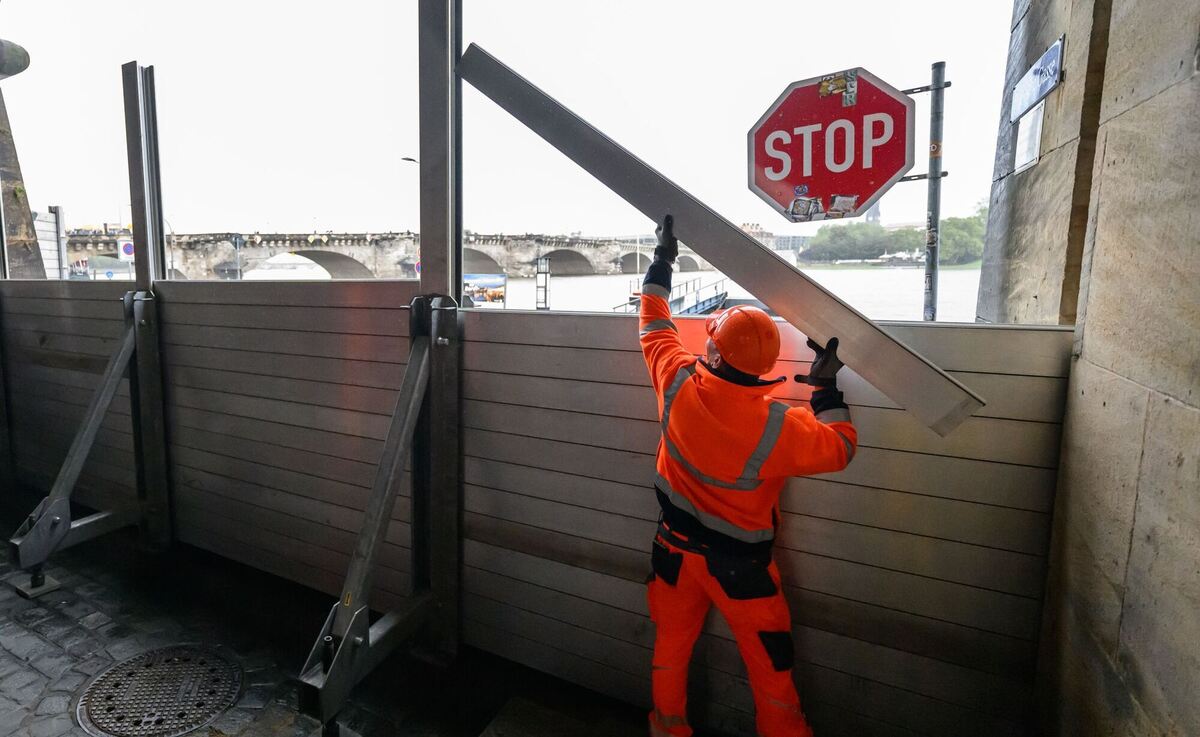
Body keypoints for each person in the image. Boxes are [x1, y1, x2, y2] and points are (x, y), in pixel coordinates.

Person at [639, 215, 857, 737]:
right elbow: (841, 448)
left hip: (673, 553)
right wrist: (825, 389)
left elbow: (652, 321)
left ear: (713, 351)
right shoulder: (781, 426)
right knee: (771, 674)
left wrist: (663, 258)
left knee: (670, 650)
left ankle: (667, 729)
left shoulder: (676, 380)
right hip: (742, 572)